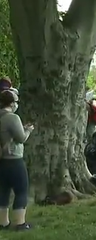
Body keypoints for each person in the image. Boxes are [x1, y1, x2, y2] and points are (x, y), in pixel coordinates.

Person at [0, 90, 33, 231]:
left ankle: (3, 222)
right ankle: (20, 223)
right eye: (16, 101)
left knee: (3, 191)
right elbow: (21, 138)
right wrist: (28, 130)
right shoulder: (12, 117)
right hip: (14, 159)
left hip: (2, 160)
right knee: (21, 190)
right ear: (12, 103)